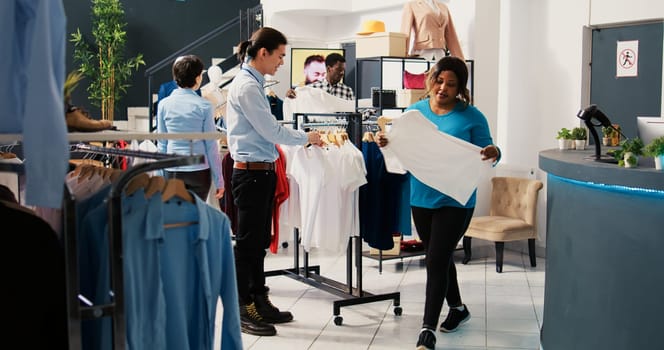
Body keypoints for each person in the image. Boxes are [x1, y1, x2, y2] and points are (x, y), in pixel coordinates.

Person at [376, 56, 500, 350]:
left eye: (451, 84)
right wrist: (387, 142)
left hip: (456, 199)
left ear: (461, 89)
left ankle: (427, 330)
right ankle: (458, 308)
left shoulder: (472, 116)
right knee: (438, 255)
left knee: (434, 259)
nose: (443, 88)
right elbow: (402, 145)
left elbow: (490, 153)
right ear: (431, 80)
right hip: (422, 197)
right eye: (439, 81)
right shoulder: (414, 112)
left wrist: (493, 152)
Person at [225, 26, 323, 337]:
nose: (281, 62)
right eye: (280, 56)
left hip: (260, 171)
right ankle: (243, 307)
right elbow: (271, 132)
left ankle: (258, 299)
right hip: (251, 173)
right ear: (263, 53)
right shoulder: (247, 87)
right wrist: (306, 137)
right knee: (248, 245)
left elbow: (267, 130)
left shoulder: (254, 84)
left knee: (256, 244)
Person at [156, 55, 224, 201]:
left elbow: (162, 143)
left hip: (172, 169)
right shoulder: (205, 106)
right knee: (197, 217)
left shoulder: (163, 105)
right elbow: (211, 146)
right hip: (199, 171)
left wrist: (159, 175)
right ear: (198, 78)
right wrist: (219, 180)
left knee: (175, 219)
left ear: (176, 78)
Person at [400, 0, 465, 61]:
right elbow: (405, 32)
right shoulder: (412, 5)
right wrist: (403, 55)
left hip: (440, 54)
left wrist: (460, 60)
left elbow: (451, 36)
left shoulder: (443, 7)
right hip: (422, 53)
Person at [286, 52, 354, 100]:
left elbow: (355, 113)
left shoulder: (347, 91)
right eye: (338, 69)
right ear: (328, 69)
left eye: (343, 70)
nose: (342, 73)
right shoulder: (312, 88)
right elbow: (296, 101)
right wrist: (290, 96)